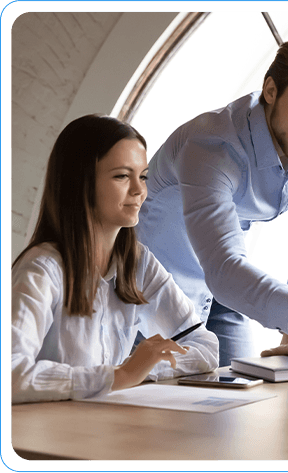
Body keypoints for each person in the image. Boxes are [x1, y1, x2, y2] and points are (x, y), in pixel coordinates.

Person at [136, 32, 288, 366]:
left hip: (225, 287)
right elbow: (223, 266)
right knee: (154, 409)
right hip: (152, 292)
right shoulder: (210, 146)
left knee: (240, 403)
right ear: (271, 90)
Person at [11, 115, 219, 404]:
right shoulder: (42, 269)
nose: (139, 190)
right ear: (81, 182)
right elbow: (10, 376)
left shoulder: (139, 263)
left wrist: (143, 369)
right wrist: (118, 376)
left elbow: (205, 347)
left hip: (103, 426)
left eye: (143, 176)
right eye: (122, 176)